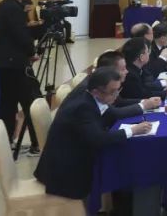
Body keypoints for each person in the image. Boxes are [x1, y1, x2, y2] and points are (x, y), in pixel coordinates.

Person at [34, 66, 153, 200]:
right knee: (124, 164)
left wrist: (143, 107)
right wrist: (133, 130)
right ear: (96, 92)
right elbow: (99, 139)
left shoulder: (92, 97)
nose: (116, 95)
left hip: (74, 155)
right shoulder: (83, 106)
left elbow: (112, 114)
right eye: (112, 92)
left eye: (118, 90)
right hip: (66, 172)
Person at [0, 0, 41, 155]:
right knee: (32, 102)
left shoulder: (3, 6)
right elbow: (21, 36)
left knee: (7, 103)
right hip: (15, 65)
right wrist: (32, 52)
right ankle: (38, 142)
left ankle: (4, 142)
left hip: (3, 64)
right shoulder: (13, 9)